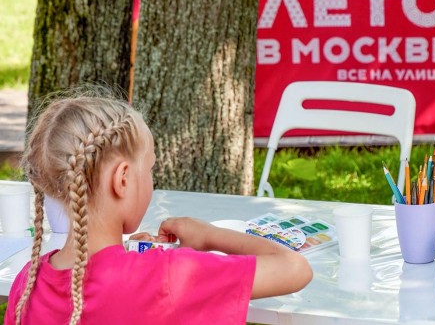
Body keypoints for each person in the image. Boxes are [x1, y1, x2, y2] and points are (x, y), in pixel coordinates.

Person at [5, 94, 312, 325]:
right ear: (122, 179)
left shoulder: (26, 283)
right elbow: (295, 268)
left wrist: (128, 255)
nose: (151, 178)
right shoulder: (169, 276)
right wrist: (209, 236)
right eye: (149, 168)